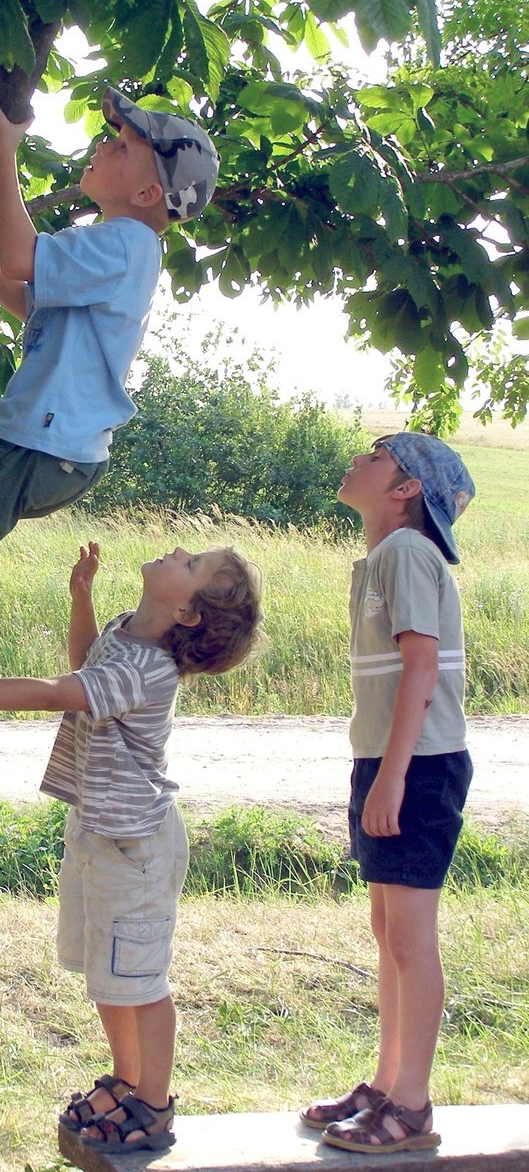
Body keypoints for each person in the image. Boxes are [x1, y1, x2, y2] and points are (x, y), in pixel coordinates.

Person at [0, 87, 220, 759]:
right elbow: (26, 297)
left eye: (121, 148)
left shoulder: (125, 244)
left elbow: (23, 259)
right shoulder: (113, 246)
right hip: (51, 448)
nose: (102, 145)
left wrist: (3, 156)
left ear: (148, 194)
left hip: (37, 447)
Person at [0, 539, 263, 1152]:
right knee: (108, 974)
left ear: (187, 614)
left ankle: (155, 1105)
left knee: (141, 979)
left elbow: (62, 690)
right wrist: (81, 599)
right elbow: (87, 661)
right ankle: (127, 1076)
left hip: (135, 846)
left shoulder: (149, 669)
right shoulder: (126, 635)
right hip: (99, 829)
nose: (179, 550)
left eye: (193, 564)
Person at [300, 432, 476, 1155]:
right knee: (386, 933)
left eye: (375, 457)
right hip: (388, 759)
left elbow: (421, 666)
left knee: (408, 936)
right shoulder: (383, 557)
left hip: (418, 765)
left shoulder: (404, 552)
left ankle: (410, 1106)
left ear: (404, 491)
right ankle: (382, 1085)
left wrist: (395, 776)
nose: (356, 460)